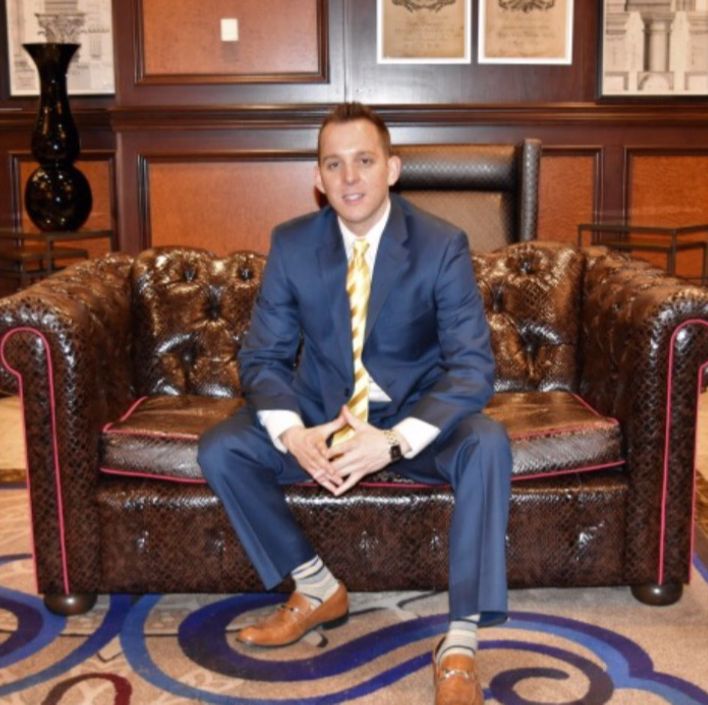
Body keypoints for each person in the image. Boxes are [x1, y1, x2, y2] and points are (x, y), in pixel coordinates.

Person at [198, 102, 512, 705]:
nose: (349, 178)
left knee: (488, 443)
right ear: (318, 177)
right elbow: (262, 359)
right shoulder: (293, 244)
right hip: (327, 419)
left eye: (364, 161)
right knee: (223, 447)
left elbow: (473, 368)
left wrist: (393, 441)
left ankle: (460, 641)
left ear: (392, 168)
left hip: (411, 421)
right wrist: (294, 434)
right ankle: (316, 586)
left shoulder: (441, 244)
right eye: (334, 164)